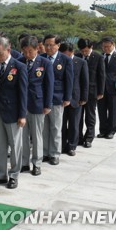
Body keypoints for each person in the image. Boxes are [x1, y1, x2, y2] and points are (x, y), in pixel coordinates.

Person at [0, 37, 28, 189]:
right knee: (0, 146)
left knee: (15, 145)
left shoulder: (19, 66)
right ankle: (1, 174)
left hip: (13, 112)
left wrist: (22, 115)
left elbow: (23, 93)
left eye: (0, 54)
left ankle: (14, 175)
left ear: (8, 50)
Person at [19, 36, 53, 176]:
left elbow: (49, 85)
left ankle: (37, 163)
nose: (28, 55)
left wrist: (47, 104)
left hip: (38, 104)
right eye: (25, 51)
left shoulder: (44, 63)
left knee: (37, 136)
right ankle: (24, 162)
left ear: (37, 49)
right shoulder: (18, 62)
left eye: (31, 51)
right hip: (21, 105)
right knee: (22, 136)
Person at [41, 34, 73, 166]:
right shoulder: (41, 58)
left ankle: (54, 153)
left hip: (57, 98)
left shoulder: (65, 59)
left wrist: (67, 97)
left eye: (51, 45)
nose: (48, 47)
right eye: (46, 45)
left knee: (55, 127)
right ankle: (45, 152)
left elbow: (69, 80)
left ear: (58, 45)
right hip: (41, 98)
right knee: (44, 128)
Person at [60, 42, 88, 157]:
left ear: (71, 52)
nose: (63, 56)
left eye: (66, 54)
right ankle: (61, 145)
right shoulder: (59, 61)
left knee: (74, 124)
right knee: (61, 124)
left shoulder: (81, 62)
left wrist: (84, 98)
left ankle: (72, 146)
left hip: (76, 98)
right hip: (61, 98)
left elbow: (84, 81)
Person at [76, 38, 105, 148]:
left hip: (92, 91)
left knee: (90, 116)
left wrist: (101, 91)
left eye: (86, 51)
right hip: (79, 91)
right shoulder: (77, 56)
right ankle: (78, 137)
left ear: (91, 47)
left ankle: (88, 138)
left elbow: (101, 75)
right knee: (78, 116)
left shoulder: (98, 57)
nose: (84, 53)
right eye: (82, 51)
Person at [97, 37, 116, 139]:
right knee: (101, 110)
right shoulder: (100, 56)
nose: (105, 48)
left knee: (113, 110)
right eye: (104, 47)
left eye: (108, 46)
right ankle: (103, 130)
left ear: (113, 45)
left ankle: (111, 131)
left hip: (114, 87)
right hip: (101, 88)